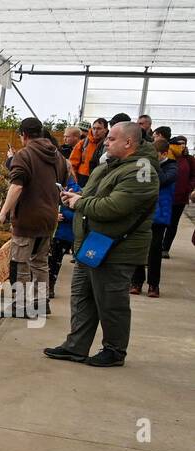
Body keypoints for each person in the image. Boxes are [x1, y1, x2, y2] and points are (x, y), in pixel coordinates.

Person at [45, 122, 159, 368]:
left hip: (117, 249)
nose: (105, 142)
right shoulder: (110, 165)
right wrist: (76, 197)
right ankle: (76, 345)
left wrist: (79, 204)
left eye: (112, 139)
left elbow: (115, 207)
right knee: (82, 295)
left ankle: (114, 350)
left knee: (111, 301)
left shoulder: (142, 171)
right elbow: (93, 195)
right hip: (92, 244)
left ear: (129, 142)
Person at [0, 117, 70, 317]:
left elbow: (17, 186)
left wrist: (3, 212)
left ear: (24, 135)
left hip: (28, 217)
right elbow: (60, 182)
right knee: (40, 262)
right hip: (49, 217)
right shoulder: (58, 157)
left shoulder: (25, 154)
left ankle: (19, 305)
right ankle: (41, 302)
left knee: (19, 262)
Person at [131, 129, 175, 296]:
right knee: (139, 248)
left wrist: (154, 165)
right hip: (143, 212)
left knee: (154, 251)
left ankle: (153, 285)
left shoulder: (171, 167)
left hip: (159, 215)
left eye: (154, 154)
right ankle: (136, 282)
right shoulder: (144, 166)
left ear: (163, 154)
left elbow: (162, 181)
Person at [48, 180, 81, 298]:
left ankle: (49, 286)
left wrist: (63, 214)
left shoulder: (74, 188)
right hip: (46, 230)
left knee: (54, 262)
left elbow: (79, 211)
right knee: (44, 261)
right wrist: (51, 214)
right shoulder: (47, 181)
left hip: (63, 234)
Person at [162, 134, 194, 256]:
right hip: (167, 196)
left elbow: (193, 176)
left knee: (173, 223)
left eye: (184, 143)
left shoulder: (189, 159)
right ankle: (158, 245)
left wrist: (189, 187)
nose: (182, 145)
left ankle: (165, 248)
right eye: (179, 143)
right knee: (162, 222)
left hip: (180, 197)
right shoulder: (168, 158)